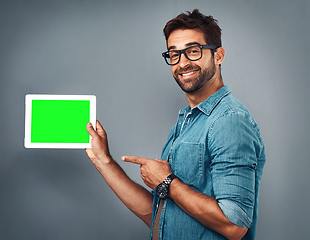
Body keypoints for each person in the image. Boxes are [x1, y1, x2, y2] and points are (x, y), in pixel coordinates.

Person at [85, 9, 265, 240]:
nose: (183, 63)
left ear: (218, 55)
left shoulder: (229, 120)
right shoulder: (189, 121)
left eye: (193, 51)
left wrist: (167, 182)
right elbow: (159, 215)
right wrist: (104, 161)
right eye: (174, 54)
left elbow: (234, 224)